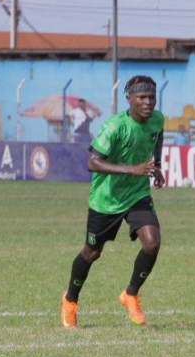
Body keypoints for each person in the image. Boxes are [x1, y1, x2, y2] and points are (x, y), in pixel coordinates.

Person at [60, 76, 165, 328]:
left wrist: (157, 165)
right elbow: (92, 162)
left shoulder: (158, 119)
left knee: (152, 244)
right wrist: (133, 169)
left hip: (137, 195)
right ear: (128, 98)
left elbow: (158, 136)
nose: (147, 102)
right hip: (106, 200)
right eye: (141, 97)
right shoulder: (114, 127)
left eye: (151, 97)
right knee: (92, 252)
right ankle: (70, 301)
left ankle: (130, 294)